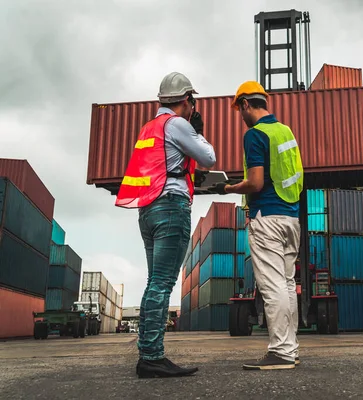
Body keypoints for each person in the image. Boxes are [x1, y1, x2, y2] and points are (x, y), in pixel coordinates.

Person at [115, 72, 216, 378]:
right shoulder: (178, 124)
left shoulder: (149, 128)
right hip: (171, 206)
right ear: (187, 100)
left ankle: (148, 353)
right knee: (161, 283)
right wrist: (197, 133)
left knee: (154, 281)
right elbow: (209, 157)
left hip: (147, 208)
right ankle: (151, 356)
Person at [211, 81, 304, 370]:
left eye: (239, 109)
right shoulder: (285, 131)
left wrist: (226, 188)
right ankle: (290, 348)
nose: (240, 114)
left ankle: (281, 352)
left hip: (268, 218)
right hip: (291, 217)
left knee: (272, 285)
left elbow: (256, 182)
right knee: (287, 284)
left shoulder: (255, 135)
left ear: (246, 104)